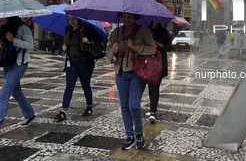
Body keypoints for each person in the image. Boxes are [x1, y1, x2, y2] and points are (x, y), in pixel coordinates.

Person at [106, 13, 156, 150]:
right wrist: (114, 52)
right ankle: (129, 136)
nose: (127, 19)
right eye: (125, 16)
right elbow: (108, 51)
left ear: (135, 18)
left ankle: (139, 134)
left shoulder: (143, 31)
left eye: (130, 17)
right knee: (124, 106)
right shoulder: (116, 32)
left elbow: (152, 49)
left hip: (137, 73)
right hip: (120, 73)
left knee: (134, 105)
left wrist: (135, 47)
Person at [53, 15, 102, 122]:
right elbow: (66, 44)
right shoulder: (68, 30)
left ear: (79, 18)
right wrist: (63, 47)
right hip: (71, 62)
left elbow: (100, 41)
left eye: (74, 19)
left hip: (85, 62)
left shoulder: (87, 28)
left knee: (85, 85)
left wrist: (88, 40)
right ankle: (63, 111)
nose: (72, 21)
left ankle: (89, 107)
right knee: (69, 86)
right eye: (69, 19)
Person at [0, 16, 35, 130]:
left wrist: (14, 40)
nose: (1, 18)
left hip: (19, 63)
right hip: (7, 62)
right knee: (16, 92)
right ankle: (29, 114)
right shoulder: (4, 27)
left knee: (4, 94)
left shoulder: (23, 28)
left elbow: (31, 45)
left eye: (3, 16)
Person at [146, 23, 172, 123]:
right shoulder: (146, 30)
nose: (154, 23)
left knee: (155, 86)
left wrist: (160, 45)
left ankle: (152, 111)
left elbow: (170, 47)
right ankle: (152, 107)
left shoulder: (164, 32)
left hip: (160, 63)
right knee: (150, 86)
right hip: (148, 62)